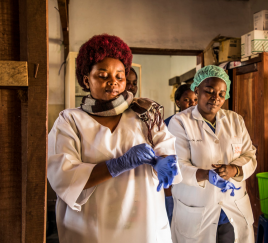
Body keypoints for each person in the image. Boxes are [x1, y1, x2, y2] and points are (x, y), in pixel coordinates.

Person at [47, 34, 182, 243]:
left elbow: (166, 149)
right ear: (86, 80)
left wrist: (166, 161)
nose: (113, 83)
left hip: (145, 225)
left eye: (120, 76)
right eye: (103, 75)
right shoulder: (70, 120)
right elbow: (64, 176)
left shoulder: (145, 114)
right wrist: (118, 164)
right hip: (91, 228)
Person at [168, 65, 257, 243]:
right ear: (197, 90)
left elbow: (250, 155)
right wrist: (206, 175)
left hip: (233, 207)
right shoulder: (180, 122)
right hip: (196, 208)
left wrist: (234, 170)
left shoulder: (235, 120)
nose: (215, 98)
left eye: (221, 94)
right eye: (209, 91)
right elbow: (177, 165)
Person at [164, 83, 198, 225]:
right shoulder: (167, 123)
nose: (192, 103)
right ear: (177, 102)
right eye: (187, 100)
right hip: (173, 182)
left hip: (195, 182)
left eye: (195, 100)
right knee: (174, 222)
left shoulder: (201, 124)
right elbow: (163, 155)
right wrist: (168, 190)